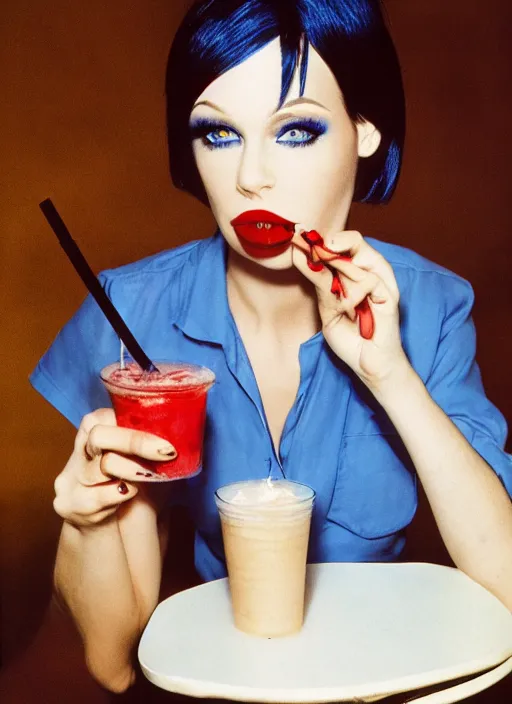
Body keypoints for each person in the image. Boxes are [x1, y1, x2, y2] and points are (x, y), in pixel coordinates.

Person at [30, 0, 512, 694]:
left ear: (366, 129)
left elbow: (502, 582)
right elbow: (110, 663)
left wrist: (390, 373)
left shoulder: (432, 305)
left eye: (297, 130)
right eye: (219, 134)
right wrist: (88, 522)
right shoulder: (131, 312)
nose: (252, 176)